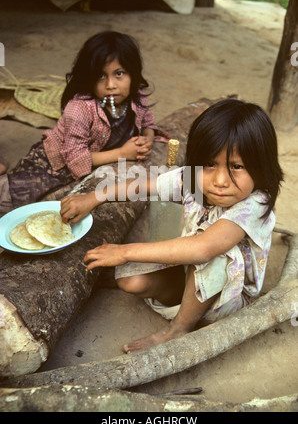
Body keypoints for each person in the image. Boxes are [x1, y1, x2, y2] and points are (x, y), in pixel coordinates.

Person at [60, 99, 284, 353]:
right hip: (191, 272)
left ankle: (178, 329)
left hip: (229, 297)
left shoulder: (255, 203)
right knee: (131, 282)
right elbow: (145, 186)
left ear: (261, 166)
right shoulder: (195, 179)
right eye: (210, 164)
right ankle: (188, 303)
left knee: (216, 254)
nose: (220, 181)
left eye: (237, 166)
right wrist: (94, 197)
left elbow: (204, 248)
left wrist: (123, 252)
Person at [0, 31, 168, 214]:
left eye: (119, 73)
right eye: (101, 76)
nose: (111, 84)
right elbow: (76, 159)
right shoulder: (79, 109)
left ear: (133, 74)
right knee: (10, 202)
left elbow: (148, 123)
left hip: (92, 166)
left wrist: (147, 140)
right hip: (49, 166)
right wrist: (122, 153)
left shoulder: (137, 96)